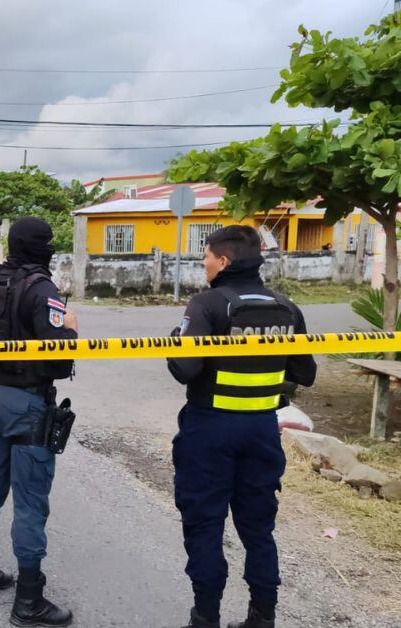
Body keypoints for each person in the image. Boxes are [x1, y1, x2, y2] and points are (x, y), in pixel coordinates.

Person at [168, 226, 316, 628]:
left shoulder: (207, 304)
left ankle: (205, 618)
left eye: (206, 260)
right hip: (262, 433)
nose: (204, 267)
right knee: (258, 530)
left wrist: (173, 344)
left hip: (210, 431)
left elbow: (185, 369)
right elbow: (305, 372)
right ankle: (262, 618)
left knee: (205, 525)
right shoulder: (286, 307)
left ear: (224, 261)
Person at [0, 216, 76, 627]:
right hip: (28, 403)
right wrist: (73, 331)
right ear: (42, 246)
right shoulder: (41, 288)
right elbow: (60, 361)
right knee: (30, 503)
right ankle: (29, 600)